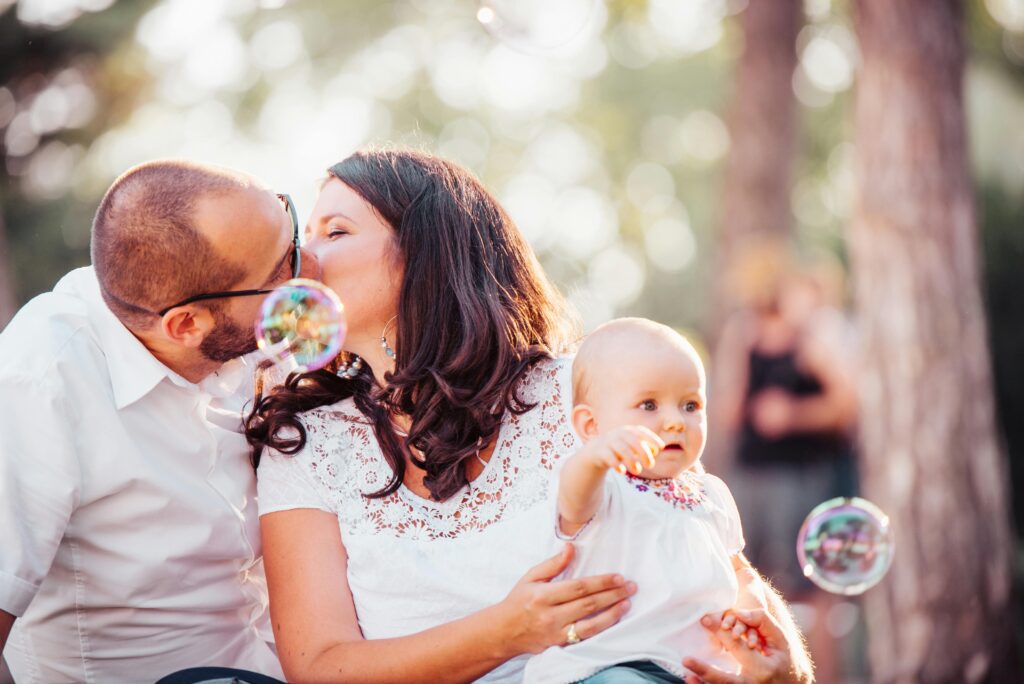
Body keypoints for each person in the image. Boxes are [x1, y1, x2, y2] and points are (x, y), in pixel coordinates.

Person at [247, 148, 812, 683]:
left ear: (427, 252)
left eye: (336, 232)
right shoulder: (306, 444)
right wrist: (505, 634)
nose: (306, 256)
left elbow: (699, 542)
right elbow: (319, 666)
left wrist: (782, 669)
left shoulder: (577, 391)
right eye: (308, 234)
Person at [0, 160, 315, 682]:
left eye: (292, 226)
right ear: (187, 325)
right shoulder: (38, 379)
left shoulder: (249, 340)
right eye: (282, 269)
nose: (307, 273)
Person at [523, 319, 805, 683]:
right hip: (607, 667)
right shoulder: (604, 488)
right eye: (649, 404)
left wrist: (748, 609)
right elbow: (574, 501)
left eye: (690, 405)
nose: (674, 421)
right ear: (591, 426)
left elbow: (738, 570)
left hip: (691, 669)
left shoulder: (710, 494)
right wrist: (594, 457)